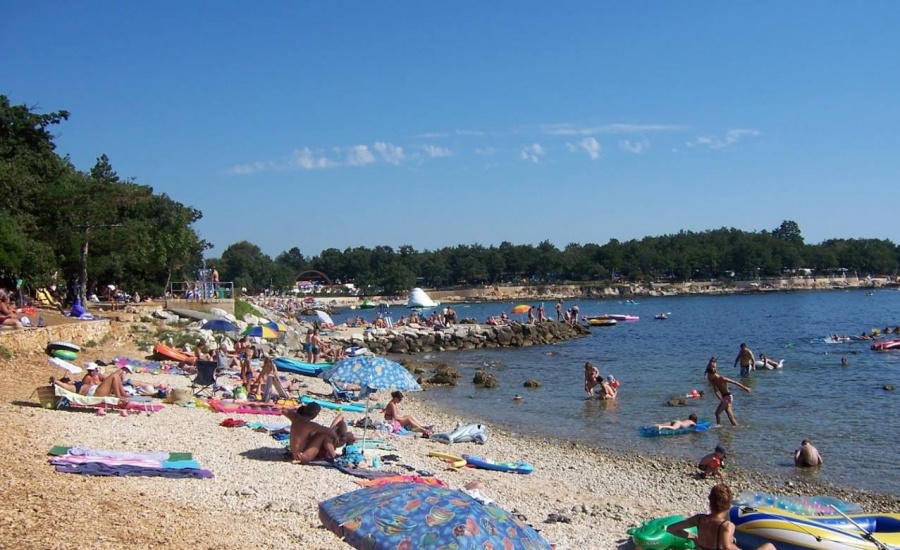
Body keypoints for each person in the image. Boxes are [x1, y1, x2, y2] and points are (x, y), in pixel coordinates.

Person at [667, 484, 776, 550]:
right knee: (769, 546)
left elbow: (671, 528)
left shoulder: (699, 519)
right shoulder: (726, 526)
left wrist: (693, 537)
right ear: (728, 504)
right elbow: (727, 546)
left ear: (710, 502)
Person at [705, 358, 751, 426]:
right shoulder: (713, 381)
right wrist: (720, 399)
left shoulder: (722, 378)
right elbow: (716, 390)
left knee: (717, 413)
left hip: (728, 397)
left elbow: (734, 382)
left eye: (709, 375)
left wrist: (745, 388)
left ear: (713, 374)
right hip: (724, 398)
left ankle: (719, 427)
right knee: (730, 416)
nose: (709, 377)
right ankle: (737, 427)